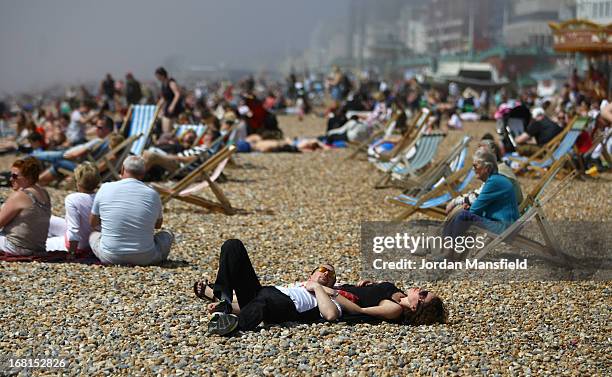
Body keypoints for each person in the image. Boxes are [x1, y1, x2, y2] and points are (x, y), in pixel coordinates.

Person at [193, 239, 341, 336]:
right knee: (233, 245)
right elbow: (250, 305)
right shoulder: (296, 286)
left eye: (331, 274)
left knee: (264, 299)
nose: (326, 273)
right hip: (265, 293)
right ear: (311, 275)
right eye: (322, 270)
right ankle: (224, 302)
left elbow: (330, 315)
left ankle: (233, 326)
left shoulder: (330, 295)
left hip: (286, 305)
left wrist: (317, 287)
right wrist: (232, 307)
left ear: (333, 283)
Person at [89, 156, 173, 265]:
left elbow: (92, 222)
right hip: (145, 257)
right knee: (167, 234)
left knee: (93, 235)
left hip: (110, 256)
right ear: (143, 173)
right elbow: (157, 225)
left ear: (122, 169)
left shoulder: (105, 188)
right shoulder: (152, 193)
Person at [443, 149, 519, 239]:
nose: (473, 169)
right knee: (463, 213)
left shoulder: (493, 182)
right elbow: (478, 207)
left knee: (462, 215)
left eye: (475, 166)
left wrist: (468, 208)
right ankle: (446, 244)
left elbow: (475, 210)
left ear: (486, 168)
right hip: (506, 224)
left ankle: (448, 247)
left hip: (504, 227)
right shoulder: (496, 179)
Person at [35, 115, 114, 186]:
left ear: (108, 129)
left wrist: (63, 156)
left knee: (56, 161)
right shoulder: (106, 142)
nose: (96, 129)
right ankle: (39, 181)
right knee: (52, 158)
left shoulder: (99, 141)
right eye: (96, 126)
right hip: (76, 157)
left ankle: (36, 181)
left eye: (99, 127)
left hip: (71, 157)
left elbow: (74, 155)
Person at [46, 162, 100, 257]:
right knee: (47, 218)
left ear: (78, 182)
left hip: (79, 245)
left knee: (41, 244)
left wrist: (71, 253)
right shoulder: (101, 197)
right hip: (93, 238)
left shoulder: (73, 199)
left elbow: (74, 228)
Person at [334, 281, 447, 326]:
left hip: (333, 296)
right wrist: (371, 285)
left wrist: (333, 293)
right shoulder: (401, 294)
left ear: (414, 307)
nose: (420, 289)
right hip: (341, 287)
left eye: (423, 294)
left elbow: (358, 310)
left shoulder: (394, 309)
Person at [0, 157, 51, 255]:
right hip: (38, 249)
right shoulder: (44, 193)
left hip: (15, 247)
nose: (11, 179)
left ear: (28, 177)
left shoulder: (19, 196)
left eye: (15, 176)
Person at [155, 67, 183, 134]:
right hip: (168, 106)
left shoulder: (171, 82)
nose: (157, 78)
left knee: (168, 127)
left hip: (173, 107)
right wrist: (158, 106)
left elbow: (177, 94)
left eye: (158, 76)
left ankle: (168, 139)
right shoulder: (163, 84)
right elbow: (164, 98)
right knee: (165, 127)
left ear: (162, 75)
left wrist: (172, 105)